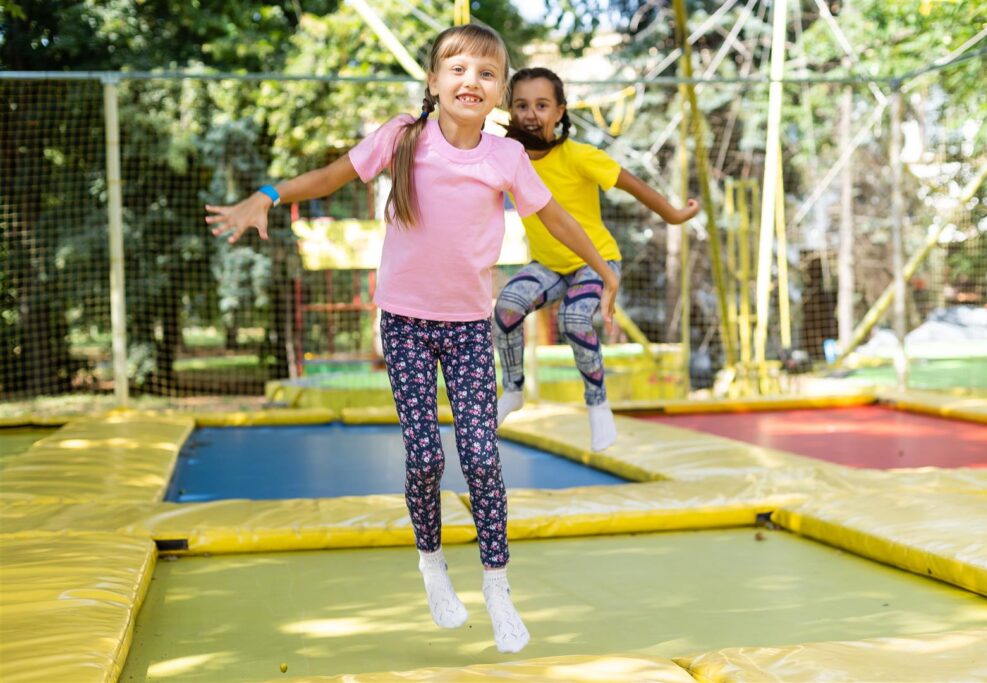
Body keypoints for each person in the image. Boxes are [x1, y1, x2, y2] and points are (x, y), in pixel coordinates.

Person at [205, 25, 618, 655]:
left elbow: (556, 216)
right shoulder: (403, 136)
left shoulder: (504, 157)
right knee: (425, 458)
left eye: (486, 74)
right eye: (457, 69)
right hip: (403, 322)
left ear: (500, 93)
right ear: (433, 81)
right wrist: (268, 194)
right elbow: (331, 176)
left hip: (468, 328)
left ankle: (498, 586)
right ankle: (432, 566)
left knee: (481, 457)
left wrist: (602, 269)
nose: (470, 82)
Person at [495, 67, 699, 452]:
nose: (530, 114)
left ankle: (597, 403)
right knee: (505, 309)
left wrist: (673, 215)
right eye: (521, 105)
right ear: (509, 110)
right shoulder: (508, 160)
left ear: (560, 112)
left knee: (574, 318)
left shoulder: (580, 157)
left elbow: (633, 185)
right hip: (549, 265)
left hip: (597, 260)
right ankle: (513, 389)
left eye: (541, 105)